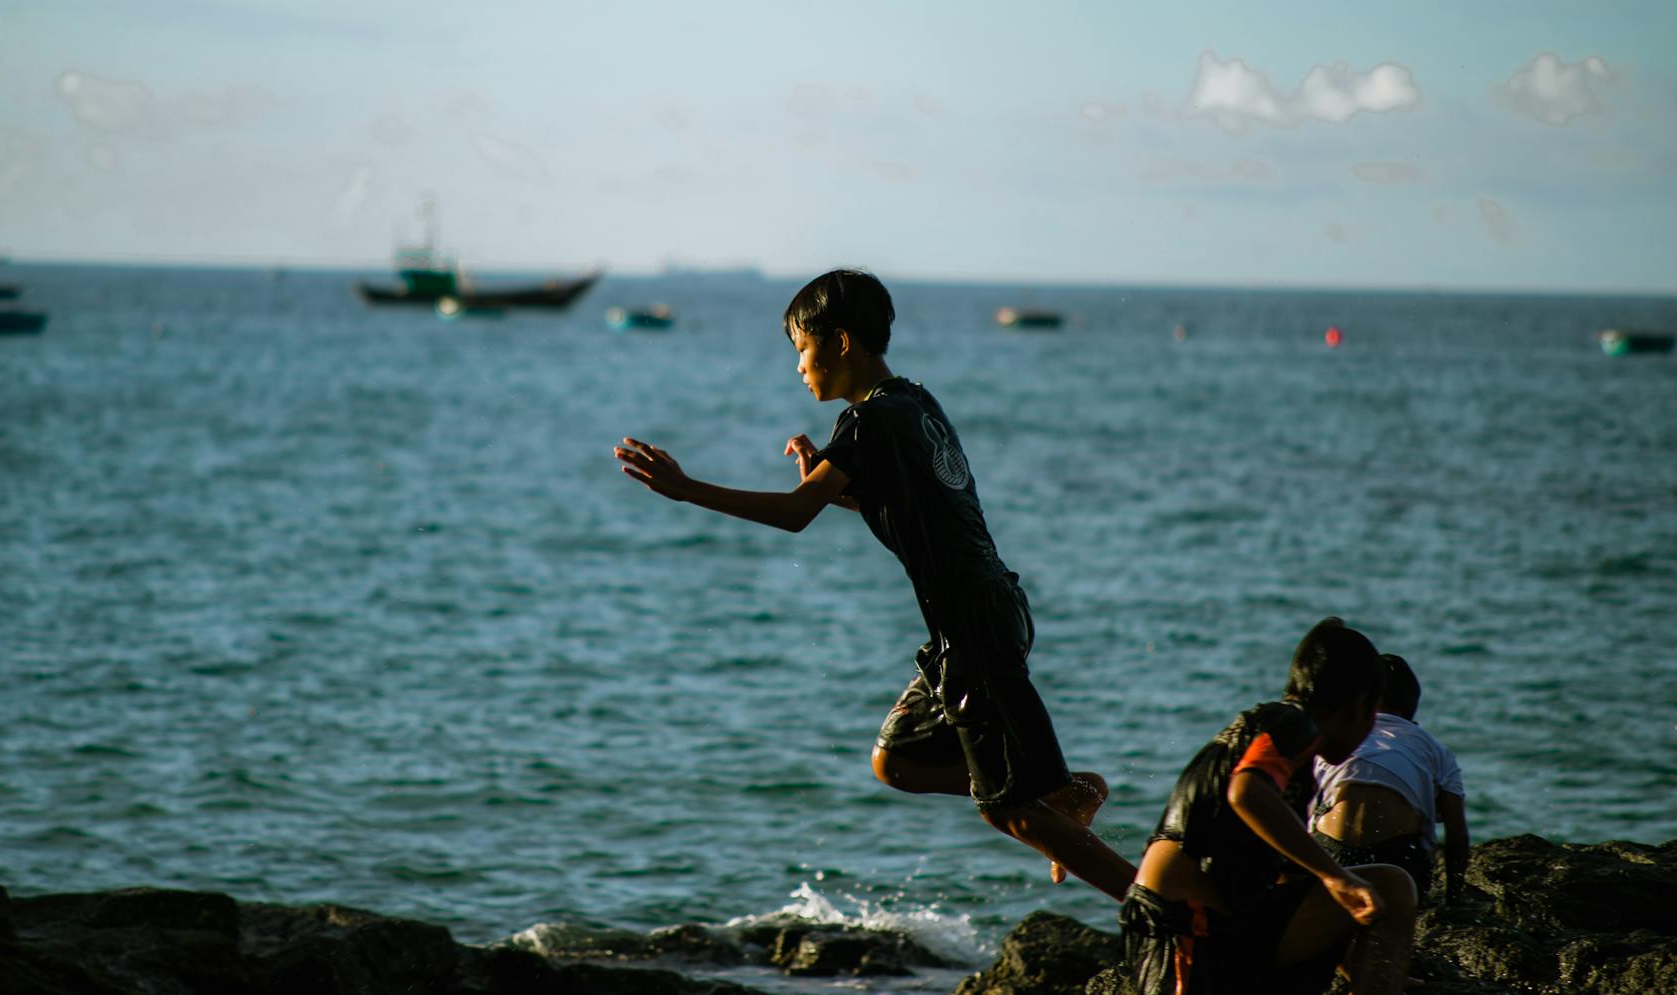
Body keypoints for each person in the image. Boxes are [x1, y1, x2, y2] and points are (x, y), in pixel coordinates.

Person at [613, 269, 1135, 900]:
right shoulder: (914, 404)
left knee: (1009, 810)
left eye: (802, 349)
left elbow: (793, 514)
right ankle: (1065, 791)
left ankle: (1166, 911)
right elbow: (915, 508)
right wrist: (838, 487)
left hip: (974, 626)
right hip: (989, 614)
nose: (799, 367)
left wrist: (687, 489)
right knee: (899, 760)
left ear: (840, 343)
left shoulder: (865, 425)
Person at [1121, 617, 1417, 995]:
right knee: (1393, 887)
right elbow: (1246, 793)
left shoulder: (1287, 752)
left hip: (1214, 920)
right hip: (1183, 920)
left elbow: (1295, 885)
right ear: (1358, 706)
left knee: (1385, 890)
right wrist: (1336, 876)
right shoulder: (1293, 724)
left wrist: (1366, 967)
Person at [1311, 654, 1469, 905]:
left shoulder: (1337, 735)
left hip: (1332, 851)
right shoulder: (1434, 748)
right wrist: (1454, 897)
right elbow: (1457, 834)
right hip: (1396, 858)